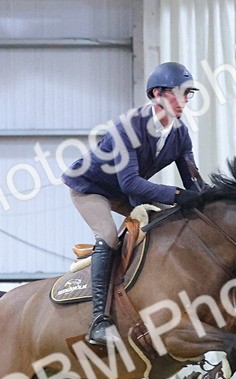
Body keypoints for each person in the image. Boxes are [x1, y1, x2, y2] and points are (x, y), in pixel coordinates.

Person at [62, 61, 207, 346]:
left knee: (168, 228)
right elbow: (130, 183)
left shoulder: (180, 133)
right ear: (156, 94)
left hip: (129, 192)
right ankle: (99, 320)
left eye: (188, 94)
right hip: (91, 188)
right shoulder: (127, 127)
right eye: (178, 93)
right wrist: (177, 196)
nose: (184, 101)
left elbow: (193, 183)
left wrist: (211, 200)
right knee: (107, 236)